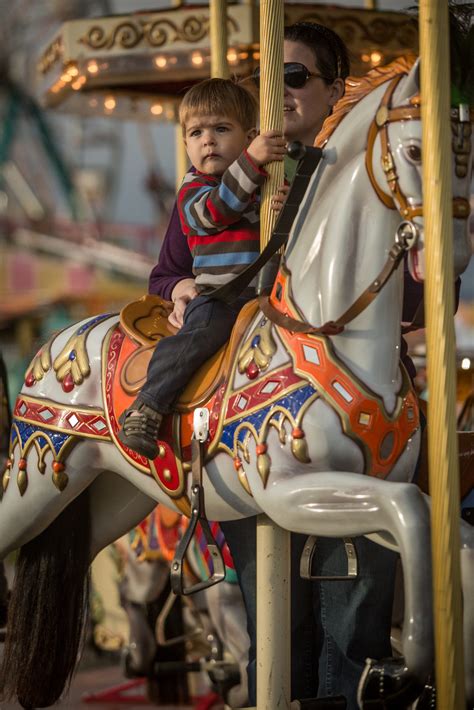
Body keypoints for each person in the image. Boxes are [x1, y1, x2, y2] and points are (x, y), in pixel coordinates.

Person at [147, 22, 427, 709]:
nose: (282, 92)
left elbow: (411, 291)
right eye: (271, 80)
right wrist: (180, 291)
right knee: (273, 619)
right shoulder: (231, 176)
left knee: (352, 604)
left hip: (347, 402)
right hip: (254, 411)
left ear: (335, 89)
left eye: (296, 77)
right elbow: (168, 270)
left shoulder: (362, 169)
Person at [118, 78, 286, 458]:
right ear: (186, 145)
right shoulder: (193, 190)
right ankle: (148, 404)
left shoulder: (265, 183)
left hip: (273, 297)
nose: (208, 140)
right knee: (201, 333)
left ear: (250, 135)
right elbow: (216, 211)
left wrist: (287, 206)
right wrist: (253, 161)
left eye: (221, 129)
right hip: (221, 297)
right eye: (197, 132)